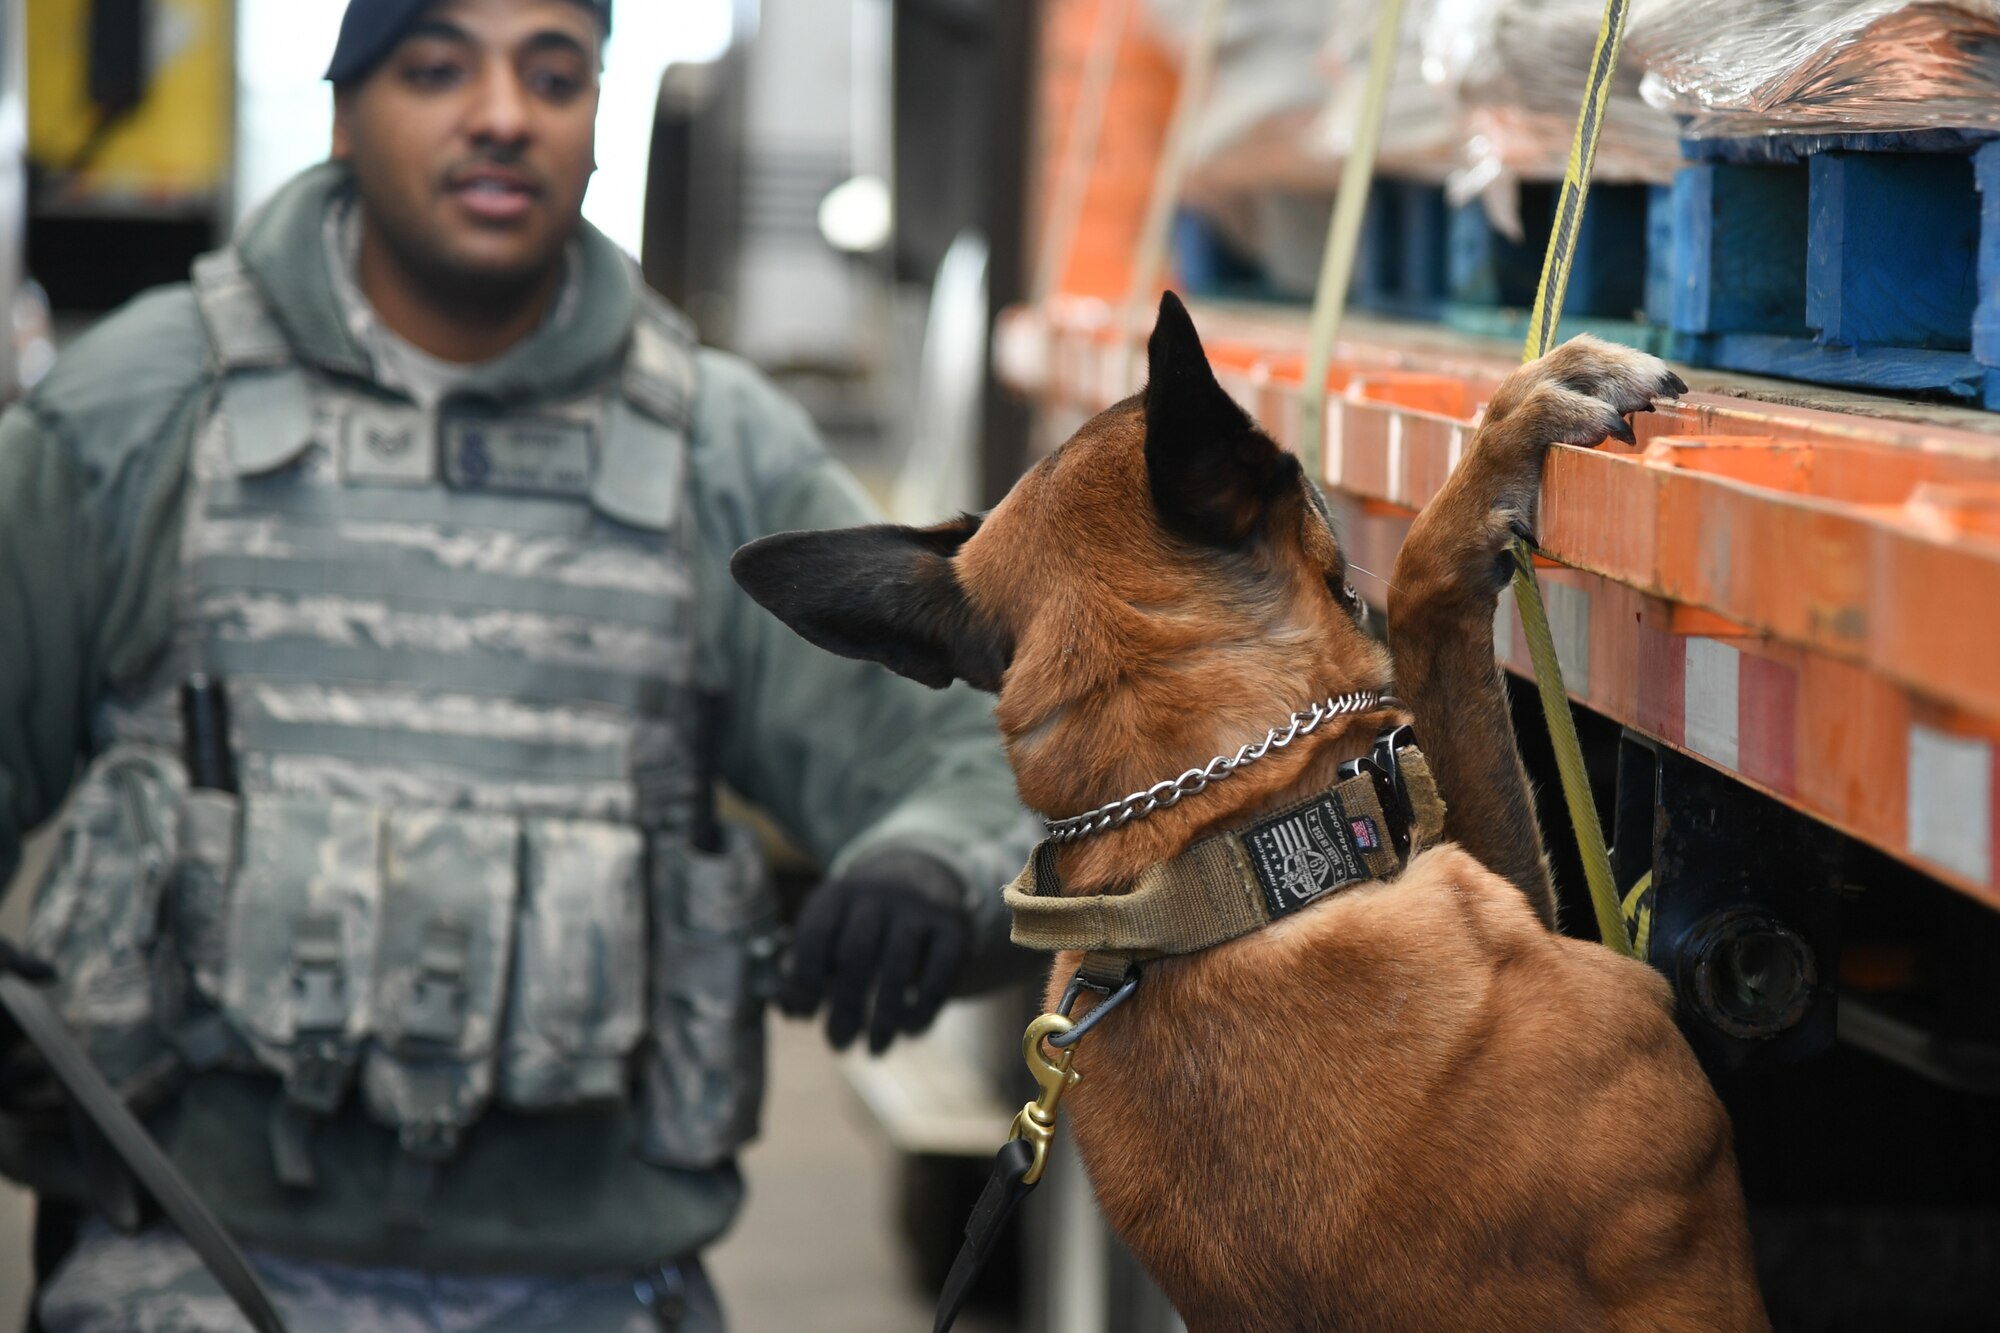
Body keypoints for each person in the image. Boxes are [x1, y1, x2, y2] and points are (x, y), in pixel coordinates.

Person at [0, 0, 1037, 1327]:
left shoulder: (717, 455)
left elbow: (993, 756)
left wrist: (931, 861)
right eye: (436, 66)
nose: (503, 112)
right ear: (342, 107)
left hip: (585, 1286)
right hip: (187, 1261)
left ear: (597, 117)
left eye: (556, 72)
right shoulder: (143, 412)